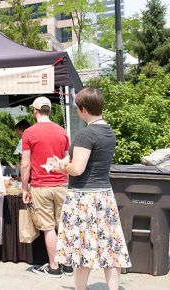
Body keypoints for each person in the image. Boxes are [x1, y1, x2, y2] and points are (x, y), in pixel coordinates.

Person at [52, 88, 131, 290]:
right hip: (104, 196)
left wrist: (62, 166)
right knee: (110, 248)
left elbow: (77, 169)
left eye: (78, 108)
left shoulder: (86, 133)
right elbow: (91, 160)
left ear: (84, 109)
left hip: (83, 198)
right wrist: (68, 159)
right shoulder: (108, 132)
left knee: (82, 249)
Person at [21, 96, 71, 278]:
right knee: (64, 225)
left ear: (35, 111)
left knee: (49, 227)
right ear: (49, 111)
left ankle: (54, 266)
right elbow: (67, 159)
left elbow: (25, 164)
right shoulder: (62, 131)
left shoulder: (29, 133)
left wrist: (24, 188)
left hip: (41, 185)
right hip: (62, 184)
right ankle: (68, 265)